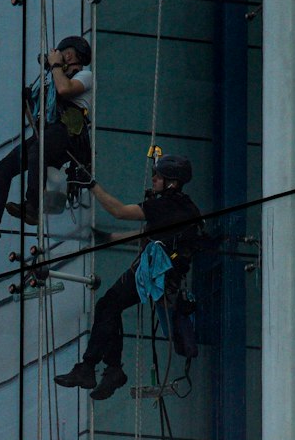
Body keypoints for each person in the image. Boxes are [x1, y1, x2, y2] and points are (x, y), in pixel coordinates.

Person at [54, 154, 203, 401]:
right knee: (111, 307)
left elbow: (119, 211)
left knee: (107, 305)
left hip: (154, 272)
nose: (154, 179)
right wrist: (109, 238)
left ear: (172, 183)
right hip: (167, 273)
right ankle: (108, 370)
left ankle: (93, 368)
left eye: (159, 176)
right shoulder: (185, 208)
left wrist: (92, 185)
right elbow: (150, 233)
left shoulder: (164, 205)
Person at [0, 36, 93, 242]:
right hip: (49, 132)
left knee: (36, 151)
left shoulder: (85, 75)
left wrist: (55, 64)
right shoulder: (55, 77)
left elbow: (65, 89)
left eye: (63, 53)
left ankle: (33, 205)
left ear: (69, 54)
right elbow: (40, 116)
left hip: (68, 133)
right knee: (2, 169)